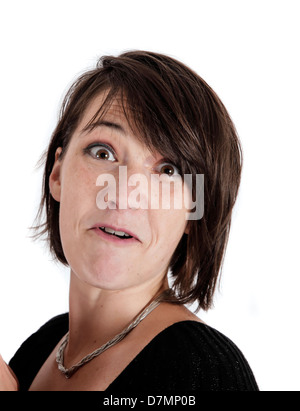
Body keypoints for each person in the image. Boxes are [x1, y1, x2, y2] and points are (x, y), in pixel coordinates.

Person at [1, 50, 258, 391]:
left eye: (168, 171)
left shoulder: (205, 374)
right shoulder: (40, 349)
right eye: (102, 152)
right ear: (58, 173)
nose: (124, 192)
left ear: (195, 212)